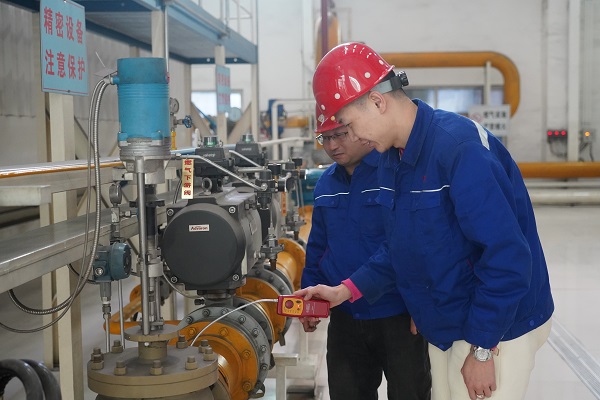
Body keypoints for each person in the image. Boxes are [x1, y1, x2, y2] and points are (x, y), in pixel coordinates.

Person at [298, 42, 554, 400]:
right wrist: (344, 291)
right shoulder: (393, 159)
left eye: (349, 125)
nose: (351, 138)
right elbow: (401, 248)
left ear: (377, 101)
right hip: (448, 322)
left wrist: (482, 347)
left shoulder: (459, 149)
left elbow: (507, 257)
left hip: (498, 328)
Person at [300, 109, 431, 400]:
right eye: (325, 138)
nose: (332, 145)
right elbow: (318, 247)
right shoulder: (325, 184)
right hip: (345, 317)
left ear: (360, 127)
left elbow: (407, 246)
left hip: (397, 313)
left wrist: (421, 303)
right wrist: (310, 299)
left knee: (410, 393)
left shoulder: (395, 173)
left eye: (340, 135)